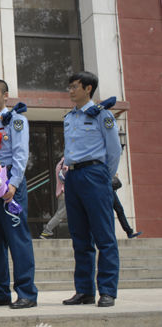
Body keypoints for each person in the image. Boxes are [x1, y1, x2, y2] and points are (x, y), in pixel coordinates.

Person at [0, 79, 38, 309]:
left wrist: (14, 184)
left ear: (6, 96)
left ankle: (26, 293)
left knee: (17, 238)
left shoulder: (17, 121)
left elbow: (21, 154)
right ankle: (0, 292)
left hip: (10, 179)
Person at [62, 71, 121, 308]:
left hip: (95, 174)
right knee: (79, 236)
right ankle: (84, 290)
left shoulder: (102, 115)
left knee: (104, 235)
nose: (70, 90)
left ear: (88, 88)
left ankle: (107, 290)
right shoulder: (69, 117)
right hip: (73, 175)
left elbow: (114, 150)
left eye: (74, 86)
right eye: (69, 87)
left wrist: (104, 177)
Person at [40, 157, 68, 239]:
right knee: (60, 214)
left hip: (62, 192)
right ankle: (46, 231)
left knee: (73, 214)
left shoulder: (60, 163)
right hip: (65, 192)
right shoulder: (66, 162)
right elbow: (65, 176)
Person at [112, 174, 141, 239]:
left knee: (120, 210)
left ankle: (129, 232)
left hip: (110, 190)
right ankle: (128, 232)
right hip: (104, 190)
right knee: (111, 213)